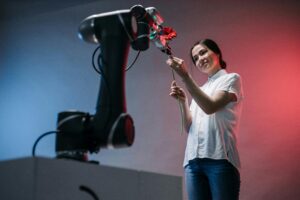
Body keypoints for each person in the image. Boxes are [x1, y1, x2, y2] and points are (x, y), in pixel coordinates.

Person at [166, 39, 243, 200]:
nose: (200, 59)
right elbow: (189, 127)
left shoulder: (232, 79)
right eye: (195, 58)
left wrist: (186, 76)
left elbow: (210, 107)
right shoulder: (200, 90)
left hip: (220, 161)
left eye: (203, 52)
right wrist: (183, 101)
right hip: (192, 163)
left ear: (217, 53)